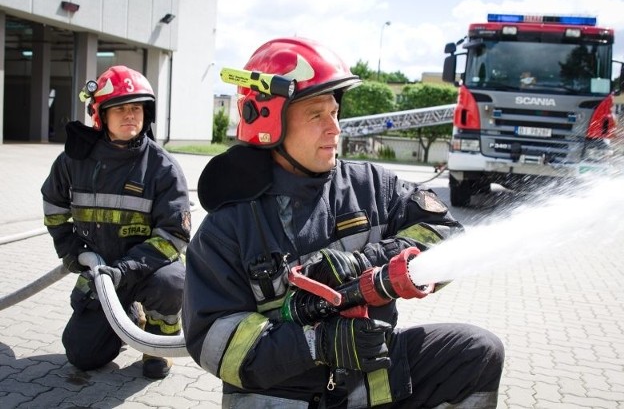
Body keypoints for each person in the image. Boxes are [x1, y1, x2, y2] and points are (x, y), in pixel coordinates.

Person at [183, 37, 504, 408]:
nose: (335, 128)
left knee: (476, 353)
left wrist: (366, 263)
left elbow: (448, 235)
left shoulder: (371, 187)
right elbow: (216, 344)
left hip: (373, 381)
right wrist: (317, 343)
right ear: (269, 119)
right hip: (284, 395)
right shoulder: (228, 226)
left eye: (335, 112)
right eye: (317, 114)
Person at [41, 65, 191, 380]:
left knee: (174, 280)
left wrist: (126, 268)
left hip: (150, 269)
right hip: (101, 270)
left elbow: (173, 234)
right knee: (82, 357)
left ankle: (158, 344)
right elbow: (53, 206)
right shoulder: (74, 160)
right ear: (101, 115)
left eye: (136, 108)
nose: (130, 115)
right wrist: (71, 250)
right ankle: (129, 319)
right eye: (120, 108)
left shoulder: (162, 167)